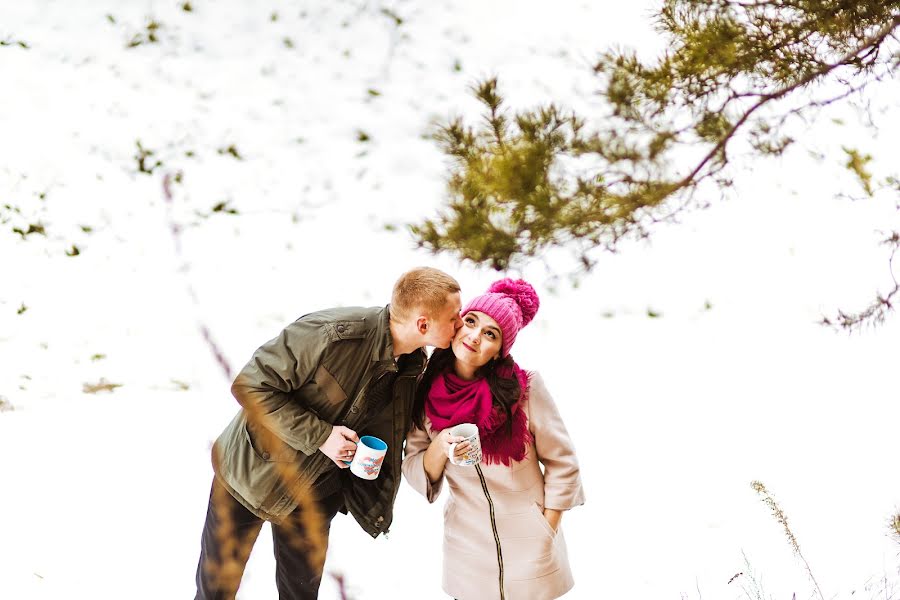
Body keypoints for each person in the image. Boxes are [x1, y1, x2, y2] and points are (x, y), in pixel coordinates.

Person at [195, 267, 462, 600]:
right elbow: (251, 386)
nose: (460, 324)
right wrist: (322, 436)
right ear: (423, 324)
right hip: (249, 477)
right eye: (455, 317)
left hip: (316, 494)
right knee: (216, 592)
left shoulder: (411, 368)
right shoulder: (329, 335)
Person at [402, 278, 585, 600]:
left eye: (491, 333)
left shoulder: (525, 387)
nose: (475, 336)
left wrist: (545, 531)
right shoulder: (423, 388)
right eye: (471, 322)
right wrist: (442, 444)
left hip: (531, 543)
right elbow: (415, 465)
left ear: (501, 350)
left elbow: (562, 462)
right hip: (466, 547)